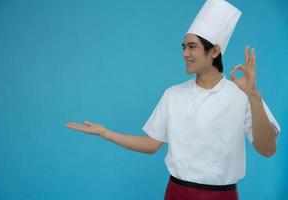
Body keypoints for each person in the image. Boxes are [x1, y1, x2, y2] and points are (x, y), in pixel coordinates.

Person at [65, 0, 281, 199]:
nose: (185, 53)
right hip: (177, 192)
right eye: (184, 47)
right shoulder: (173, 95)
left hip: (222, 196)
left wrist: (254, 95)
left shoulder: (242, 95)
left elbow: (267, 149)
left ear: (214, 51)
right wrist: (106, 133)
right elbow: (151, 144)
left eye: (192, 46)